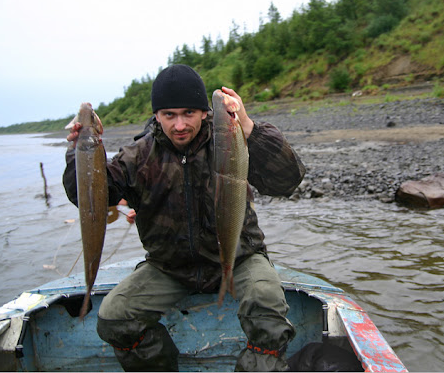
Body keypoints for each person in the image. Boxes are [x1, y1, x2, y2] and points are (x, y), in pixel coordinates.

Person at [63, 64, 305, 371]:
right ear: (157, 115)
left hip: (241, 258)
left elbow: (287, 180)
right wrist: (79, 154)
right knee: (115, 318)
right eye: (169, 115)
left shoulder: (231, 142)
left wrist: (250, 131)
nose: (179, 125)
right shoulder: (138, 156)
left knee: (267, 308)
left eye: (189, 113)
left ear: (205, 112)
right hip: (169, 268)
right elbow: (92, 198)